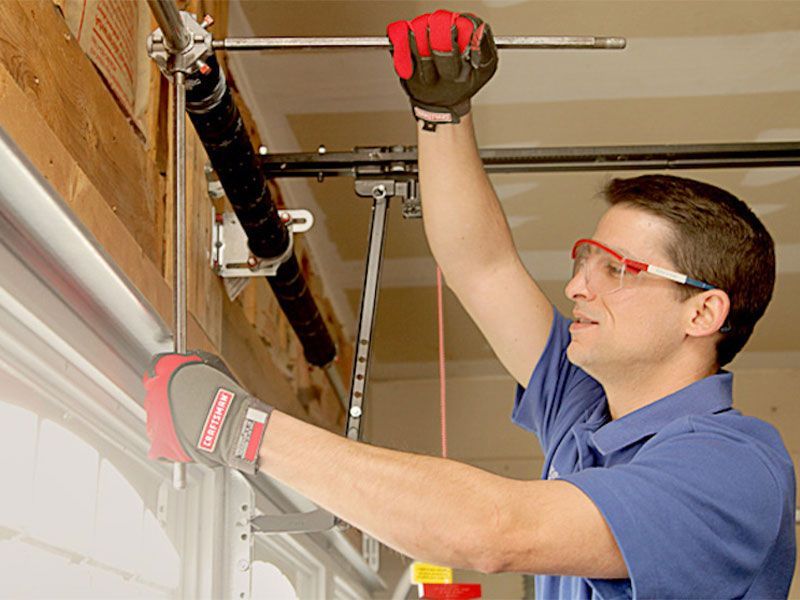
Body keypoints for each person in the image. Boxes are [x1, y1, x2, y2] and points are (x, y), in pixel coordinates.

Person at [143, 10, 796, 598]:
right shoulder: (584, 411)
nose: (576, 287)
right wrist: (442, 114)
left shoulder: (734, 467)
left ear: (702, 314)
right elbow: (481, 268)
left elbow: (496, 530)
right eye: (584, 260)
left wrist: (239, 428)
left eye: (617, 269)